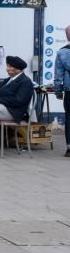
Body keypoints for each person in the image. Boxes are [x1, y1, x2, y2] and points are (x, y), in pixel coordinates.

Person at [53, 27, 70, 158]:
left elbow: (59, 75)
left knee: (69, 117)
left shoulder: (62, 52)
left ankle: (69, 148)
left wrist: (58, 91)